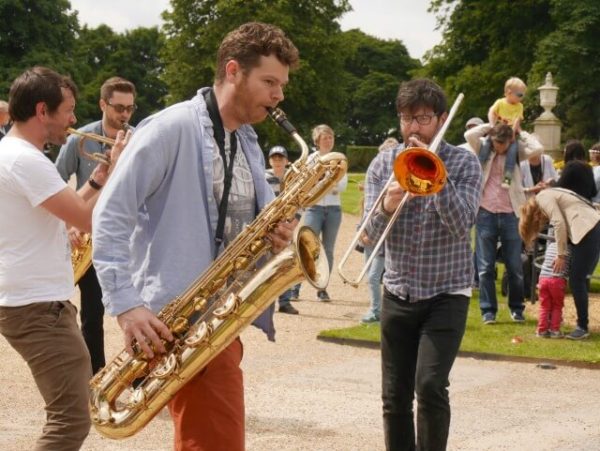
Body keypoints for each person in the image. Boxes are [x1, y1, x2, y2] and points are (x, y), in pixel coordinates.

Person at [91, 22, 299, 451]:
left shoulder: (248, 140)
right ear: (233, 70)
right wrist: (127, 306)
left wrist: (274, 233)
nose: (279, 95)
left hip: (219, 321)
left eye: (282, 85)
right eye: (270, 82)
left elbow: (248, 225)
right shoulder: (170, 128)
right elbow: (109, 215)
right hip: (182, 322)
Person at [0, 67, 127, 450]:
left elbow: (66, 209)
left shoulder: (14, 153)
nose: (74, 121)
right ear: (43, 110)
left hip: (30, 299)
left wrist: (99, 179)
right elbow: (90, 220)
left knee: (68, 414)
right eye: (68, 110)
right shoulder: (28, 160)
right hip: (36, 305)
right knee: (71, 420)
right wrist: (121, 172)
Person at [364, 78, 482, 451]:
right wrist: (386, 205)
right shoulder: (384, 163)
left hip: (446, 291)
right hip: (398, 289)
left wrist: (435, 179)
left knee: (430, 385)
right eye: (406, 119)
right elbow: (365, 234)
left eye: (423, 118)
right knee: (394, 395)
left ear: (442, 119)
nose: (413, 128)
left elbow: (463, 222)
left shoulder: (463, 162)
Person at [55, 76, 137, 374]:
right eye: (118, 108)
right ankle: (96, 375)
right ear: (103, 104)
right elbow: (56, 182)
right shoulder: (81, 139)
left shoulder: (138, 140)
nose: (125, 115)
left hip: (130, 237)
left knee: (140, 309)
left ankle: (141, 376)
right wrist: (68, 223)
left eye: (130, 108)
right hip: (89, 233)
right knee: (92, 314)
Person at [465, 121, 543, 324]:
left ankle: (516, 309)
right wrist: (490, 126)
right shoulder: (484, 148)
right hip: (485, 212)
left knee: (515, 266)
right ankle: (488, 311)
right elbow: (469, 135)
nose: (499, 147)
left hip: (511, 213)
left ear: (510, 141)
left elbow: (538, 148)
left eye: (503, 144)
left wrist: (520, 132)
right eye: (496, 143)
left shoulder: (516, 151)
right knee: (484, 268)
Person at [519, 184, 600, 339]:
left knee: (577, 280)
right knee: (578, 279)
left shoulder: (542, 197)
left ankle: (582, 327)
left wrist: (561, 255)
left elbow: (559, 222)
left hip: (587, 228)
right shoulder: (552, 192)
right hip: (590, 225)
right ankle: (573, 324)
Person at [301, 124, 348, 301]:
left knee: (328, 250)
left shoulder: (340, 159)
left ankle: (322, 288)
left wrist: (323, 181)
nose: (328, 141)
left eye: (330, 137)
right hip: (315, 208)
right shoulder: (311, 160)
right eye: (325, 138)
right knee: (306, 246)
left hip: (334, 210)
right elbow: (307, 185)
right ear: (317, 141)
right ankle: (294, 288)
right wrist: (329, 182)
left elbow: (342, 186)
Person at [358, 137, 399, 324]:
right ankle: (378, 309)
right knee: (370, 276)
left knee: (375, 277)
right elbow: (366, 208)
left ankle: (376, 311)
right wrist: (363, 231)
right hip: (371, 235)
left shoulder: (398, 182)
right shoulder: (375, 176)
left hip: (386, 239)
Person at [265, 145, 300, 315]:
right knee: (265, 265)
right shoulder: (263, 177)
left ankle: (285, 301)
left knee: (285, 264)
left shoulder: (293, 178)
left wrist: (294, 222)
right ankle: (266, 302)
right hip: (267, 228)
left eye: (281, 159)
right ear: (270, 161)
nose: (277, 162)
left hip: (286, 227)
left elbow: (300, 201)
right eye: (274, 159)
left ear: (286, 161)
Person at [480, 77, 527, 189]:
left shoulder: (519, 106)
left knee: (512, 151)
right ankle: (478, 167)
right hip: (498, 129)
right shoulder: (500, 102)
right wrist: (491, 125)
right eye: (520, 95)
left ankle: (507, 177)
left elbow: (517, 121)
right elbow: (491, 112)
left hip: (510, 132)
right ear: (509, 93)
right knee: (486, 144)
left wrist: (513, 134)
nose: (522, 98)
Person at [533, 227, 570, 338]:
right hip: (557, 280)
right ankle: (554, 330)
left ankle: (542, 330)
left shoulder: (550, 246)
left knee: (544, 306)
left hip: (543, 279)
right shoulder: (568, 249)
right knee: (557, 306)